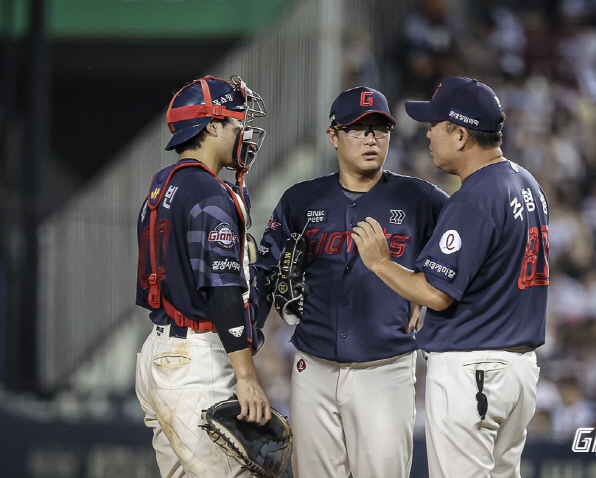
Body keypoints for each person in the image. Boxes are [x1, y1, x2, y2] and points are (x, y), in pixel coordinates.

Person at [352, 77, 549, 478]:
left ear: (460, 135)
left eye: (435, 125)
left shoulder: (475, 196)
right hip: (517, 371)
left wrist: (380, 262)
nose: (428, 133)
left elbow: (436, 294)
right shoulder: (525, 183)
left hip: (473, 371)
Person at [254, 86, 449, 478]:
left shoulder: (420, 197)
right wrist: (247, 356)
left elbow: (463, 253)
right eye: (359, 130)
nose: (372, 139)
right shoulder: (300, 200)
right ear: (334, 136)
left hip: (387, 366)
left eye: (380, 129)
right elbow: (265, 273)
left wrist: (423, 284)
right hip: (313, 367)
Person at [134, 75, 271, 478]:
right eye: (235, 121)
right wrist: (246, 377)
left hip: (159, 354)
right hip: (197, 361)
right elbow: (222, 288)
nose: (243, 131)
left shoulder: (164, 184)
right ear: (211, 126)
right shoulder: (210, 194)